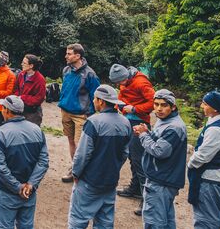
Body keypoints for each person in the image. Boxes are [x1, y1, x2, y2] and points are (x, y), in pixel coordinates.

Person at [67, 85, 132, 229]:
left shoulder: (94, 122)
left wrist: (76, 173)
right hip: (110, 181)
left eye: (95, 99)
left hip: (90, 180)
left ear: (101, 101)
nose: (93, 101)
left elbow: (82, 154)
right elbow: (124, 154)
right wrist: (113, 169)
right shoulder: (125, 122)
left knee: (78, 219)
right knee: (105, 222)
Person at [0, 95, 49, 229]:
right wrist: (31, 184)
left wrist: (17, 187)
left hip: (7, 192)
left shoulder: (1, 133)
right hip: (29, 193)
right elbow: (43, 161)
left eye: (2, 107)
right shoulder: (37, 130)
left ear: (7, 110)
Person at [133, 89, 187, 228]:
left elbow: (159, 151)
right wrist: (147, 132)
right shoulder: (165, 120)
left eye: (164, 105)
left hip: (161, 181)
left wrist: (143, 136)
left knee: (154, 223)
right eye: (156, 104)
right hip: (164, 179)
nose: (159, 109)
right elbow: (160, 142)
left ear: (173, 107)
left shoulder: (173, 127)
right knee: (166, 222)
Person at [187, 91, 220, 229]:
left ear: (215, 108)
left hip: (210, 179)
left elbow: (203, 156)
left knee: (206, 219)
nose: (202, 105)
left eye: (205, 103)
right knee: (209, 214)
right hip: (214, 178)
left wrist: (190, 164)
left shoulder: (217, 129)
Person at [109, 64, 155, 202]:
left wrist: (134, 109)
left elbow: (154, 103)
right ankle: (135, 188)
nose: (118, 85)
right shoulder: (123, 83)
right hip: (127, 121)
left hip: (140, 123)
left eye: (120, 82)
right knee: (131, 157)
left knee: (139, 159)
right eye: (116, 83)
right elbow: (120, 97)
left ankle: (147, 199)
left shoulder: (141, 82)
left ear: (126, 77)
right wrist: (118, 106)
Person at [58, 43, 100, 183]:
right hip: (65, 111)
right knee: (71, 141)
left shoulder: (90, 74)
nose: (66, 56)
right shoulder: (66, 70)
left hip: (81, 115)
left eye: (69, 54)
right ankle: (75, 168)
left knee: (81, 144)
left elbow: (96, 96)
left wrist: (91, 114)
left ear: (78, 56)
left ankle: (82, 171)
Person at [14, 55, 46, 126]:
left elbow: (39, 99)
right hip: (20, 108)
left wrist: (22, 97)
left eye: (24, 63)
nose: (21, 64)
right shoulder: (21, 74)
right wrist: (16, 98)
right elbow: (16, 89)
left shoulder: (40, 80)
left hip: (33, 113)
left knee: (30, 134)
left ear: (31, 65)